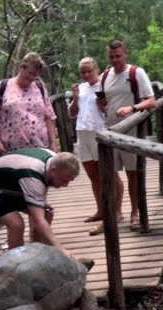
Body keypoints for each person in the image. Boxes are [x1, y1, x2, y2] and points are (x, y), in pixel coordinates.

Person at [95, 38, 156, 233]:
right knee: (109, 175)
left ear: (125, 54)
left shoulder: (136, 73)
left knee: (133, 174)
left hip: (131, 131)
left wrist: (132, 107)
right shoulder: (105, 75)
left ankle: (135, 214)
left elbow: (152, 101)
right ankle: (114, 214)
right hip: (110, 131)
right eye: (111, 56)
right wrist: (101, 105)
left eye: (118, 56)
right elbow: (104, 102)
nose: (115, 60)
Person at [0, 148, 81, 254]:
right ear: (53, 170)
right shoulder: (33, 174)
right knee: (16, 224)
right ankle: (15, 261)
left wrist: (39, 204)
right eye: (64, 180)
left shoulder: (54, 160)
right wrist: (60, 248)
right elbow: (38, 219)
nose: (65, 185)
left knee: (47, 213)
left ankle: (36, 251)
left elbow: (39, 197)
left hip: (12, 185)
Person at [0, 52, 58, 156]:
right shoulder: (3, 86)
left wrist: (53, 144)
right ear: (21, 68)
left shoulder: (39, 87)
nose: (32, 77)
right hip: (11, 152)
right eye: (30, 73)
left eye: (35, 74)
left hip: (41, 149)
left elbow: (49, 117)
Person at [68, 57, 107, 224]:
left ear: (96, 69)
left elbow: (108, 110)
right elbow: (72, 113)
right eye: (83, 72)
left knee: (107, 174)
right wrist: (76, 98)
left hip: (98, 132)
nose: (86, 74)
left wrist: (102, 106)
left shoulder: (104, 86)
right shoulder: (81, 88)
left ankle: (116, 211)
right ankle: (100, 210)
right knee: (93, 175)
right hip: (82, 133)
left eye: (89, 71)